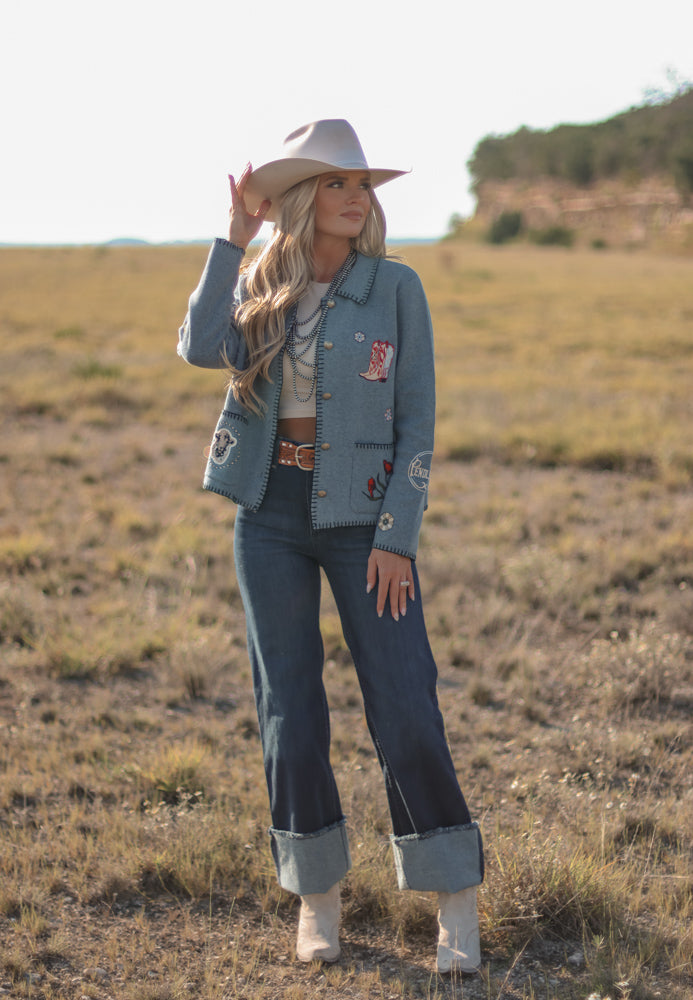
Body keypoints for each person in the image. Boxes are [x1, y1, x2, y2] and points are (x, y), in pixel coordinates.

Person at [178, 119, 483, 973]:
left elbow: (415, 422)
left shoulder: (395, 287)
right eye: (339, 185)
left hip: (364, 520)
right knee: (290, 711)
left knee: (403, 700)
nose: (357, 199)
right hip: (267, 510)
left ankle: (453, 896)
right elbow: (204, 348)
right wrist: (233, 236)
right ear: (304, 201)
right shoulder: (258, 279)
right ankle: (317, 900)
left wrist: (397, 536)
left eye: (364, 187)